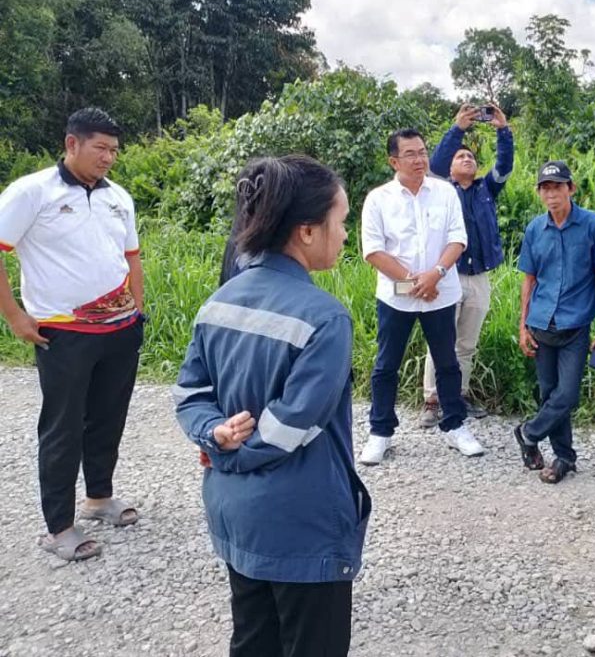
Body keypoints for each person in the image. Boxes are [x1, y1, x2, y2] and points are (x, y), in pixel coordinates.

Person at [174, 155, 369, 656]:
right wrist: (229, 453)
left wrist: (215, 436)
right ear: (307, 231)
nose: (345, 234)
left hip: (236, 513)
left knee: (254, 636)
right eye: (341, 221)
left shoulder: (219, 301)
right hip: (300, 521)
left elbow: (189, 394)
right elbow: (291, 425)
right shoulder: (326, 318)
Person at [0, 107, 145, 562]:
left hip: (120, 328)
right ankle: (59, 527)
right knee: (62, 427)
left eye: (114, 150)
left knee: (108, 417)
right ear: (71, 144)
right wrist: (15, 317)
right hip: (64, 332)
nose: (109, 158)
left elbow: (132, 257)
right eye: (100, 148)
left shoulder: (118, 197)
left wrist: (138, 311)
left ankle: (99, 498)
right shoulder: (32, 192)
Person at [358, 128, 485, 464]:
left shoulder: (445, 192)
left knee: (447, 362)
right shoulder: (378, 199)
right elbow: (373, 250)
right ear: (394, 161)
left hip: (440, 292)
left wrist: (435, 274)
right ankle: (380, 432)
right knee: (386, 364)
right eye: (410, 154)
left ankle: (455, 425)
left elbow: (458, 239)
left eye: (423, 152)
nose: (419, 159)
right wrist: (414, 281)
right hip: (396, 296)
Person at [514, 160, 595, 484]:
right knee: (549, 394)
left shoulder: (593, 226)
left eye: (557, 186)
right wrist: (523, 325)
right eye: (545, 188)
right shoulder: (534, 229)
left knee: (567, 394)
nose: (551, 193)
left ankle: (528, 433)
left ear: (571, 188)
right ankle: (564, 458)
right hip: (541, 324)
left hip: (575, 326)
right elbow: (529, 280)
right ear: (539, 193)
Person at [420, 103, 514, 426]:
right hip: (447, 274)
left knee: (467, 344)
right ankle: (432, 400)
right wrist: (458, 128)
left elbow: (505, 164)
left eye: (471, 157)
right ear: (451, 166)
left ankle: (457, 396)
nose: (467, 159)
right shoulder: (441, 190)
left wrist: (503, 129)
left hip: (478, 276)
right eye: (460, 156)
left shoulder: (487, 188)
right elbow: (434, 165)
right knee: (440, 340)